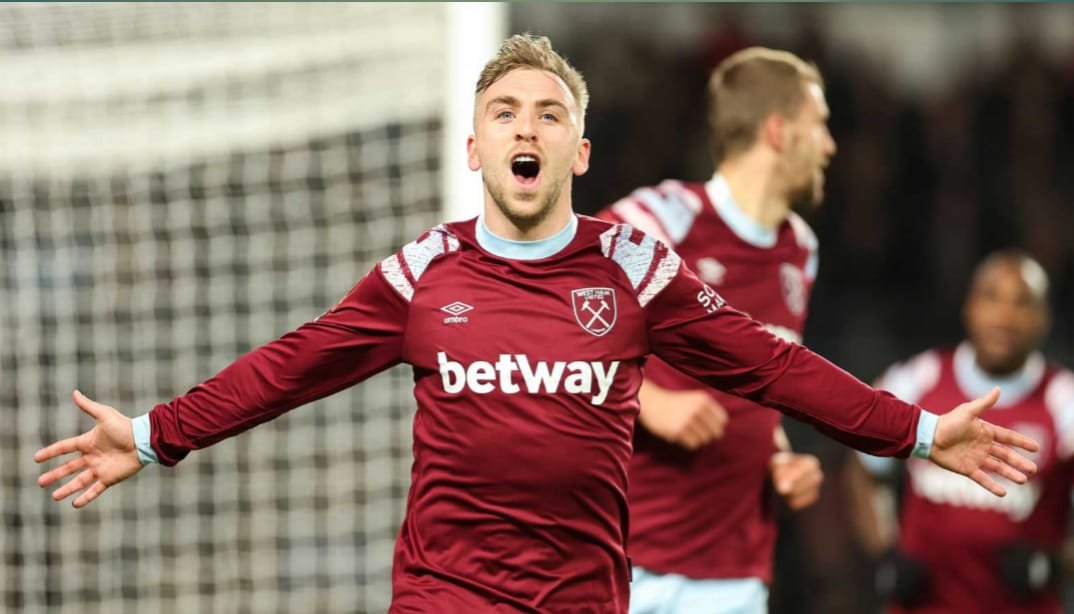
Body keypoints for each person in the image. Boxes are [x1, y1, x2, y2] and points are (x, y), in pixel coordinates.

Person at [36, 34, 1037, 614]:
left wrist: (914, 427)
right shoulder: (423, 274)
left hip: (586, 597)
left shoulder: (634, 266)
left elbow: (769, 363)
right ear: (473, 147)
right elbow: (295, 362)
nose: (526, 124)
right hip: (446, 594)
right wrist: (158, 432)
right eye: (506, 111)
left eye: (548, 113)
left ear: (581, 149)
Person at [596, 47, 833, 613]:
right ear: (778, 132)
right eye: (819, 126)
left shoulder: (800, 249)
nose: (830, 146)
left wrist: (777, 456)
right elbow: (547, 324)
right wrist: (649, 402)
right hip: (628, 560)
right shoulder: (661, 220)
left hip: (735, 572)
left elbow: (760, 385)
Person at [846, 250, 1073, 613]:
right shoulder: (916, 381)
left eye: (1022, 303)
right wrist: (884, 552)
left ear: (1044, 318)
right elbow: (863, 470)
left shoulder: (1065, 403)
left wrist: (1055, 564)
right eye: (992, 297)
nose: (1004, 316)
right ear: (969, 306)